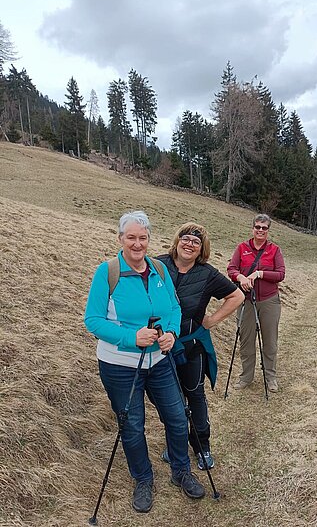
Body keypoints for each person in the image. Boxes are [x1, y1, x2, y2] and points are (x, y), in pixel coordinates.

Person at [84, 211, 205, 514]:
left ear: (149, 239)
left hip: (159, 361)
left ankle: (181, 471)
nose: (137, 244)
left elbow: (174, 309)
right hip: (119, 366)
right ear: (120, 238)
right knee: (133, 425)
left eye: (143, 237)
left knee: (177, 417)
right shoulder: (108, 272)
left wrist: (172, 333)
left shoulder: (160, 270)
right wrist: (129, 337)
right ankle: (143, 480)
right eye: (131, 237)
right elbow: (93, 321)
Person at [158, 222, 244, 470]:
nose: (189, 244)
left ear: (201, 249)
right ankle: (176, 444)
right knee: (169, 399)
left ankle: (202, 446)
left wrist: (210, 321)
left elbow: (236, 296)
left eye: (196, 242)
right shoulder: (158, 265)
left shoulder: (207, 274)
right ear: (177, 241)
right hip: (160, 347)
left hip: (190, 346)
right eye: (185, 238)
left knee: (195, 395)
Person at [227, 214, 285, 393]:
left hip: (269, 301)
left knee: (270, 342)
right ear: (253, 228)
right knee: (246, 340)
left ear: (268, 230)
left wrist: (260, 273)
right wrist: (241, 277)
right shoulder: (242, 248)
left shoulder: (274, 250)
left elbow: (280, 274)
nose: (260, 230)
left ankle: (270, 377)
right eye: (258, 227)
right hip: (246, 301)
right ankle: (246, 377)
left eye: (264, 228)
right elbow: (231, 269)